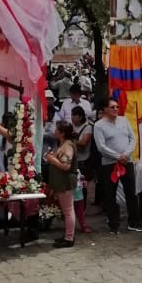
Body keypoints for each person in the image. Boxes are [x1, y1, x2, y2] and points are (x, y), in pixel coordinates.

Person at [94, 98, 142, 234]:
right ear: (105, 109)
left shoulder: (124, 120)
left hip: (127, 162)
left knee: (131, 192)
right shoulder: (99, 125)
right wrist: (117, 156)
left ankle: (134, 222)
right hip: (109, 164)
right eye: (112, 107)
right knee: (110, 194)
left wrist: (125, 155)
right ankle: (113, 224)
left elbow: (132, 139)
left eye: (117, 107)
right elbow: (101, 146)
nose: (116, 109)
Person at [45, 119, 77, 248]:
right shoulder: (63, 144)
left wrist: (52, 160)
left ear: (62, 133)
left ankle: (69, 238)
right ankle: (67, 235)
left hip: (65, 182)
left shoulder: (67, 146)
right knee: (66, 210)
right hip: (61, 182)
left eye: (57, 129)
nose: (54, 131)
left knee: (68, 210)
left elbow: (66, 166)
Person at [70, 105, 94, 233]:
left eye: (74, 116)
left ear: (80, 116)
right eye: (71, 115)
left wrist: (71, 140)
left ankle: (82, 210)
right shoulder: (71, 127)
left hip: (83, 161)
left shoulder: (87, 127)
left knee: (82, 187)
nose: (72, 118)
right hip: (73, 161)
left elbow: (84, 143)